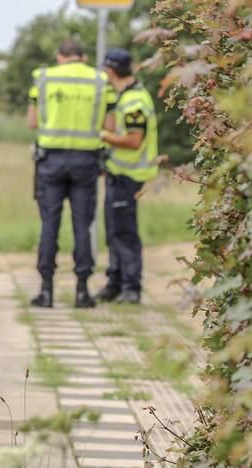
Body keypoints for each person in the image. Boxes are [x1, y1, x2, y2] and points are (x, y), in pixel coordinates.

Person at [27, 39, 110, 308]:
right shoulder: (99, 81)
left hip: (51, 160)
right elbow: (109, 125)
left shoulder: (43, 79)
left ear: (59, 56)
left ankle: (47, 290)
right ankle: (83, 291)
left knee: (49, 224)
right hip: (86, 162)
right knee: (82, 226)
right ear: (83, 56)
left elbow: (32, 122)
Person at [96, 48, 160, 305]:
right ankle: (115, 283)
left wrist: (102, 136)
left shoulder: (134, 102)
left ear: (110, 70)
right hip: (118, 173)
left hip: (129, 175)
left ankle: (131, 286)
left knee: (124, 232)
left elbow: (134, 141)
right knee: (114, 231)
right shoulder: (126, 96)